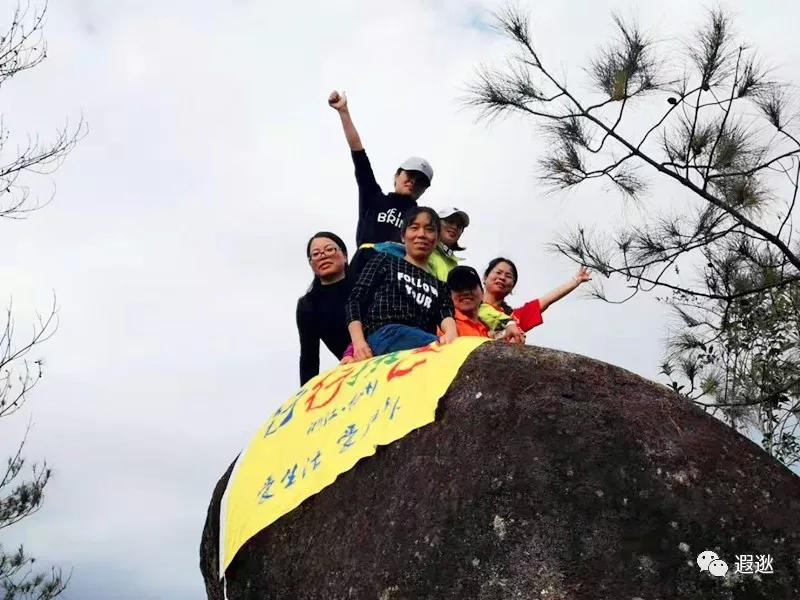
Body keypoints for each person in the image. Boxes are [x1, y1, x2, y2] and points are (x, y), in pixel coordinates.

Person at [328, 90, 434, 278]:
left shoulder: (422, 220)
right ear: (397, 176)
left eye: (420, 182)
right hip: (363, 269)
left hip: (399, 276)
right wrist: (343, 112)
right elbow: (358, 153)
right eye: (409, 175)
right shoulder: (373, 197)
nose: (413, 182)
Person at [345, 207, 457, 360]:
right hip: (385, 333)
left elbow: (446, 314)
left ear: (437, 239)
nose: (421, 234)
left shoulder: (440, 285)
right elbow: (355, 300)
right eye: (414, 228)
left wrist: (451, 335)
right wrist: (358, 345)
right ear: (403, 236)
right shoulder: (385, 260)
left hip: (421, 342)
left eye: (429, 230)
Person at [480, 257, 592, 334]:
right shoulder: (467, 305)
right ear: (485, 277)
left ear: (512, 287)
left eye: (508, 276)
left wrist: (576, 280)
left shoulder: (515, 317)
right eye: (498, 273)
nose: (503, 278)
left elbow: (547, 299)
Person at [296, 232, 352, 385]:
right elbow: (309, 358)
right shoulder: (308, 305)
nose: (323, 256)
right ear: (311, 264)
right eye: (316, 254)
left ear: (345, 255)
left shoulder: (363, 283)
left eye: (329, 250)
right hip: (353, 367)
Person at [428, 207, 469, 281]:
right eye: (450, 221)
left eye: (459, 226)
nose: (454, 227)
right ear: (436, 223)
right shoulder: (424, 250)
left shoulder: (455, 266)